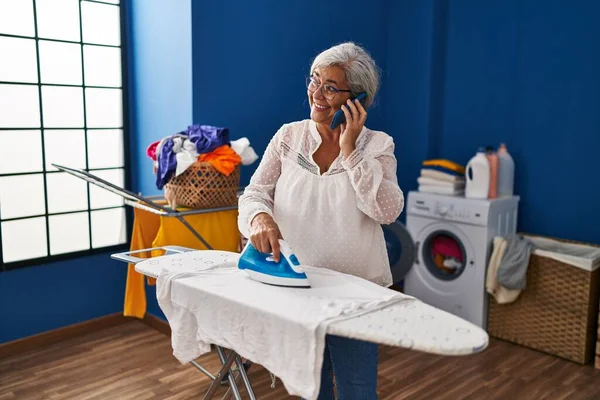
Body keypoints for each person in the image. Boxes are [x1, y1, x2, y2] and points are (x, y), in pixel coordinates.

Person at [237, 42, 404, 400]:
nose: (317, 93)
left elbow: (387, 211)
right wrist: (260, 219)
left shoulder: (378, 146)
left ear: (358, 99)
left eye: (331, 87)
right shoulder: (288, 136)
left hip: (355, 295)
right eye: (315, 81)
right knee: (311, 388)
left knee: (357, 390)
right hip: (298, 287)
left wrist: (351, 150)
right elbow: (254, 194)